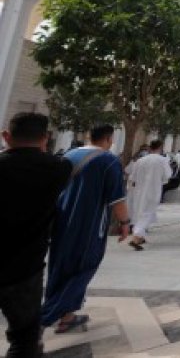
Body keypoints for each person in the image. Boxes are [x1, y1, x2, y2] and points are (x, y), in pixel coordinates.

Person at [42, 124, 130, 333]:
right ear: (108, 139)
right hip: (89, 226)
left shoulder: (68, 155)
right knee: (83, 269)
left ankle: (67, 316)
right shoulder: (108, 161)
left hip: (61, 222)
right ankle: (45, 317)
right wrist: (125, 223)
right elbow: (117, 199)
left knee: (60, 268)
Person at [0, 113, 72, 356]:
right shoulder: (57, 170)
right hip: (24, 270)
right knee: (25, 340)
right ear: (45, 139)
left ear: (6, 137)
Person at [126, 139, 172, 250]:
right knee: (147, 213)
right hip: (153, 190)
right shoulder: (163, 160)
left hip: (139, 191)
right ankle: (136, 237)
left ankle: (141, 236)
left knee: (140, 213)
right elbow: (168, 175)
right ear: (160, 147)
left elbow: (132, 177)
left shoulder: (140, 160)